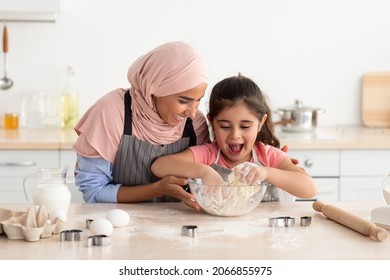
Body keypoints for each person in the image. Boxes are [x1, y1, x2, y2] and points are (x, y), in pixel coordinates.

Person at [73, 41, 210, 209]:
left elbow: (204, 185)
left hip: (177, 226)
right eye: (183, 100)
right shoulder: (111, 113)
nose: (192, 112)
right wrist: (155, 190)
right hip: (117, 224)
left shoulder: (195, 124)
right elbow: (93, 192)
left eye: (199, 100)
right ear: (154, 88)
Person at [151, 74, 317, 207]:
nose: (235, 135)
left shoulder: (268, 156)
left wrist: (267, 172)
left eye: (245, 126)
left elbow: (309, 189)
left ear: (260, 123)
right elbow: (159, 166)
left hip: (265, 238)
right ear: (211, 122)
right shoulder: (209, 154)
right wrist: (204, 172)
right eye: (224, 126)